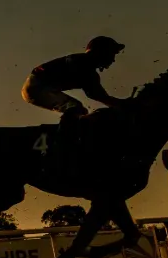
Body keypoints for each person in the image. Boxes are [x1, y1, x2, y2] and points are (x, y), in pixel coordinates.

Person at [22, 36, 127, 167]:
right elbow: (99, 96)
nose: (113, 59)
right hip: (36, 86)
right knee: (76, 108)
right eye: (112, 54)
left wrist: (122, 104)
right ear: (101, 52)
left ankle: (63, 142)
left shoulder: (85, 65)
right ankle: (62, 147)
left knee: (78, 109)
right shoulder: (84, 65)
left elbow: (98, 96)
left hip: (37, 85)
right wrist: (125, 105)